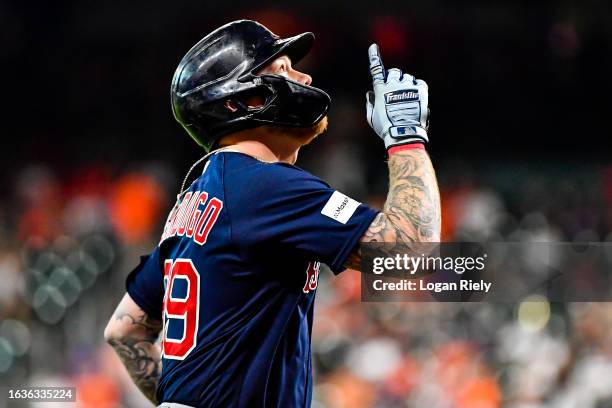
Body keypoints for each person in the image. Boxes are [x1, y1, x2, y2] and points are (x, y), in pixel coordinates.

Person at [104, 19, 440, 408]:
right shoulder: (263, 187)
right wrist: (406, 136)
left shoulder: (193, 199)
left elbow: (124, 331)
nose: (304, 76)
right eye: (282, 70)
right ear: (239, 101)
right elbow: (411, 249)